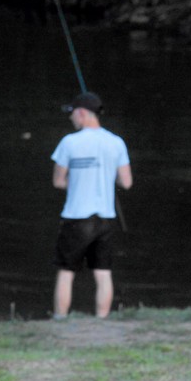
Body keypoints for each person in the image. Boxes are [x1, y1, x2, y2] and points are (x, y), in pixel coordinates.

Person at [50, 92, 133, 318]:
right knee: (103, 272)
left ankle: (59, 319)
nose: (71, 119)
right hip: (105, 218)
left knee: (66, 272)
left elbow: (58, 181)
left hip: (77, 216)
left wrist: (77, 183)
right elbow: (126, 182)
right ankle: (102, 320)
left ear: (82, 113)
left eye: (73, 115)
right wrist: (106, 177)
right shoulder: (116, 143)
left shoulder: (69, 143)